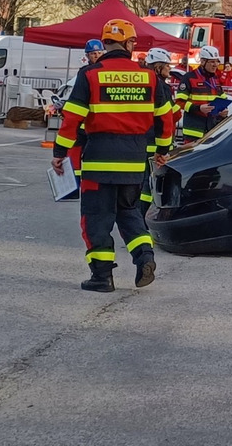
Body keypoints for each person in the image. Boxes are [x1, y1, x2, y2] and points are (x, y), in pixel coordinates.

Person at [51, 19, 174, 292]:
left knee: (95, 218)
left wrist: (60, 152)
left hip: (98, 160)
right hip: (133, 160)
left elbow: (72, 118)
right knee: (129, 213)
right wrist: (163, 151)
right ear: (130, 44)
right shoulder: (149, 77)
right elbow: (166, 118)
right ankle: (145, 258)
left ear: (104, 44)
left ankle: (101, 277)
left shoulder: (90, 74)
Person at [139, 48, 179, 217]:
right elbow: (172, 114)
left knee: (144, 184)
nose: (169, 69)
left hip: (144, 139)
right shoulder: (162, 86)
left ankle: (139, 216)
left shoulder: (146, 82)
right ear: (158, 67)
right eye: (167, 66)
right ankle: (141, 217)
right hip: (156, 143)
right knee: (150, 184)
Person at [176, 45, 230, 144]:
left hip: (212, 129)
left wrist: (224, 110)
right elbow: (179, 102)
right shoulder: (189, 78)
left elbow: (223, 97)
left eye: (217, 61)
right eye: (212, 61)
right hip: (194, 130)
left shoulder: (215, 79)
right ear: (202, 62)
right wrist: (198, 108)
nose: (215, 65)